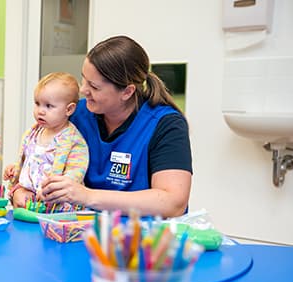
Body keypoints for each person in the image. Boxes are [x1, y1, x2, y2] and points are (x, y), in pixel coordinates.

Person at [39, 36, 192, 217]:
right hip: (79, 229)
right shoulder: (76, 114)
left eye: (94, 87)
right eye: (84, 80)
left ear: (127, 92)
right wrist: (22, 189)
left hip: (141, 235)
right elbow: (37, 159)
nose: (82, 90)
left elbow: (173, 202)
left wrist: (88, 196)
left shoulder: (165, 125)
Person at [4, 72, 89, 208]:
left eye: (49, 106)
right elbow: (29, 161)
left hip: (57, 205)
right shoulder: (33, 133)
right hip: (29, 199)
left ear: (69, 109)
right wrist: (15, 169)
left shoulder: (74, 141)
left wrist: (52, 191)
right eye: (37, 104)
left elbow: (75, 173)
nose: (40, 111)